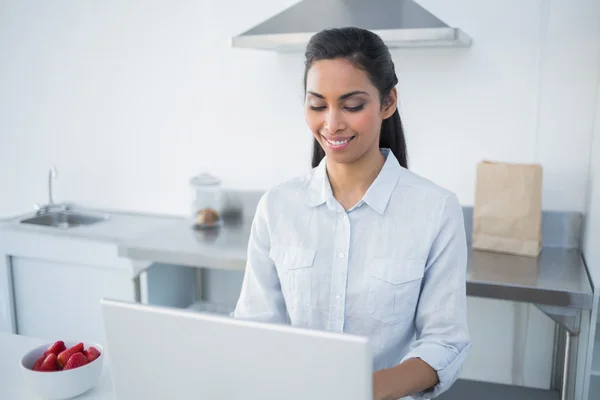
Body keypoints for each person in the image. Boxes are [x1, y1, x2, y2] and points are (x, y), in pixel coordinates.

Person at [232, 27, 471, 400]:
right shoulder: (278, 206)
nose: (332, 123)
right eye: (317, 105)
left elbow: (444, 341)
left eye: (352, 105)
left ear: (388, 102)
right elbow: (255, 327)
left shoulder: (435, 210)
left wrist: (358, 391)